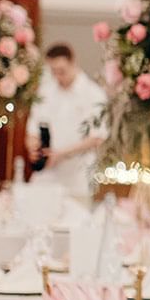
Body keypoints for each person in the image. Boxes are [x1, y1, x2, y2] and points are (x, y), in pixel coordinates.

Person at [25, 44, 107, 196]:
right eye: (54, 71)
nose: (58, 76)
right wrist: (33, 147)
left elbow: (97, 137)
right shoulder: (45, 91)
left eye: (62, 71)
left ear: (73, 63)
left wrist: (61, 154)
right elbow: (32, 129)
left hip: (78, 174)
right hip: (48, 172)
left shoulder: (94, 94)